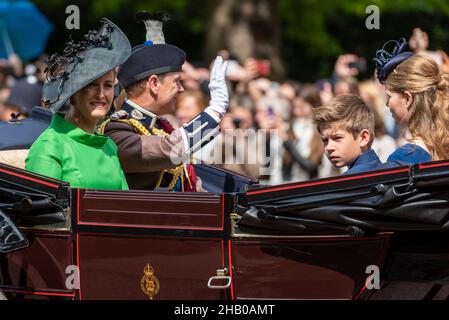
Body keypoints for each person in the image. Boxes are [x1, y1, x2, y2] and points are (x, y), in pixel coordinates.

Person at [101, 12, 229, 191]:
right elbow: (171, 150)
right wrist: (214, 111)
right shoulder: (116, 131)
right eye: (176, 81)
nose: (181, 88)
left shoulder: (162, 127)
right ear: (154, 83)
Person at [25, 19, 132, 190]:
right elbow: (43, 213)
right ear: (71, 93)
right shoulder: (51, 144)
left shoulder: (108, 146)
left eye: (108, 85)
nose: (101, 94)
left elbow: (125, 205)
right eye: (91, 85)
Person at [373, 38, 449, 166]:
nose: (387, 104)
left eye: (389, 97)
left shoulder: (403, 159)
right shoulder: (442, 145)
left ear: (408, 99)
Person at [313, 95, 381, 175]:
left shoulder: (349, 181)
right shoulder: (379, 168)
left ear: (363, 138)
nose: (329, 147)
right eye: (325, 140)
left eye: (337, 138)